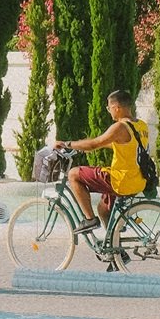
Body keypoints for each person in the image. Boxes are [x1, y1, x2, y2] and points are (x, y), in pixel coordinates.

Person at [54, 89, 147, 234]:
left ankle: (89, 219)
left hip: (121, 181)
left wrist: (67, 144)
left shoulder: (120, 127)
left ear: (117, 108)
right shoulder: (141, 126)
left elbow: (94, 144)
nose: (109, 111)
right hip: (137, 180)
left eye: (109, 108)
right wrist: (83, 146)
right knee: (103, 209)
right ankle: (113, 243)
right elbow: (119, 145)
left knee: (73, 174)